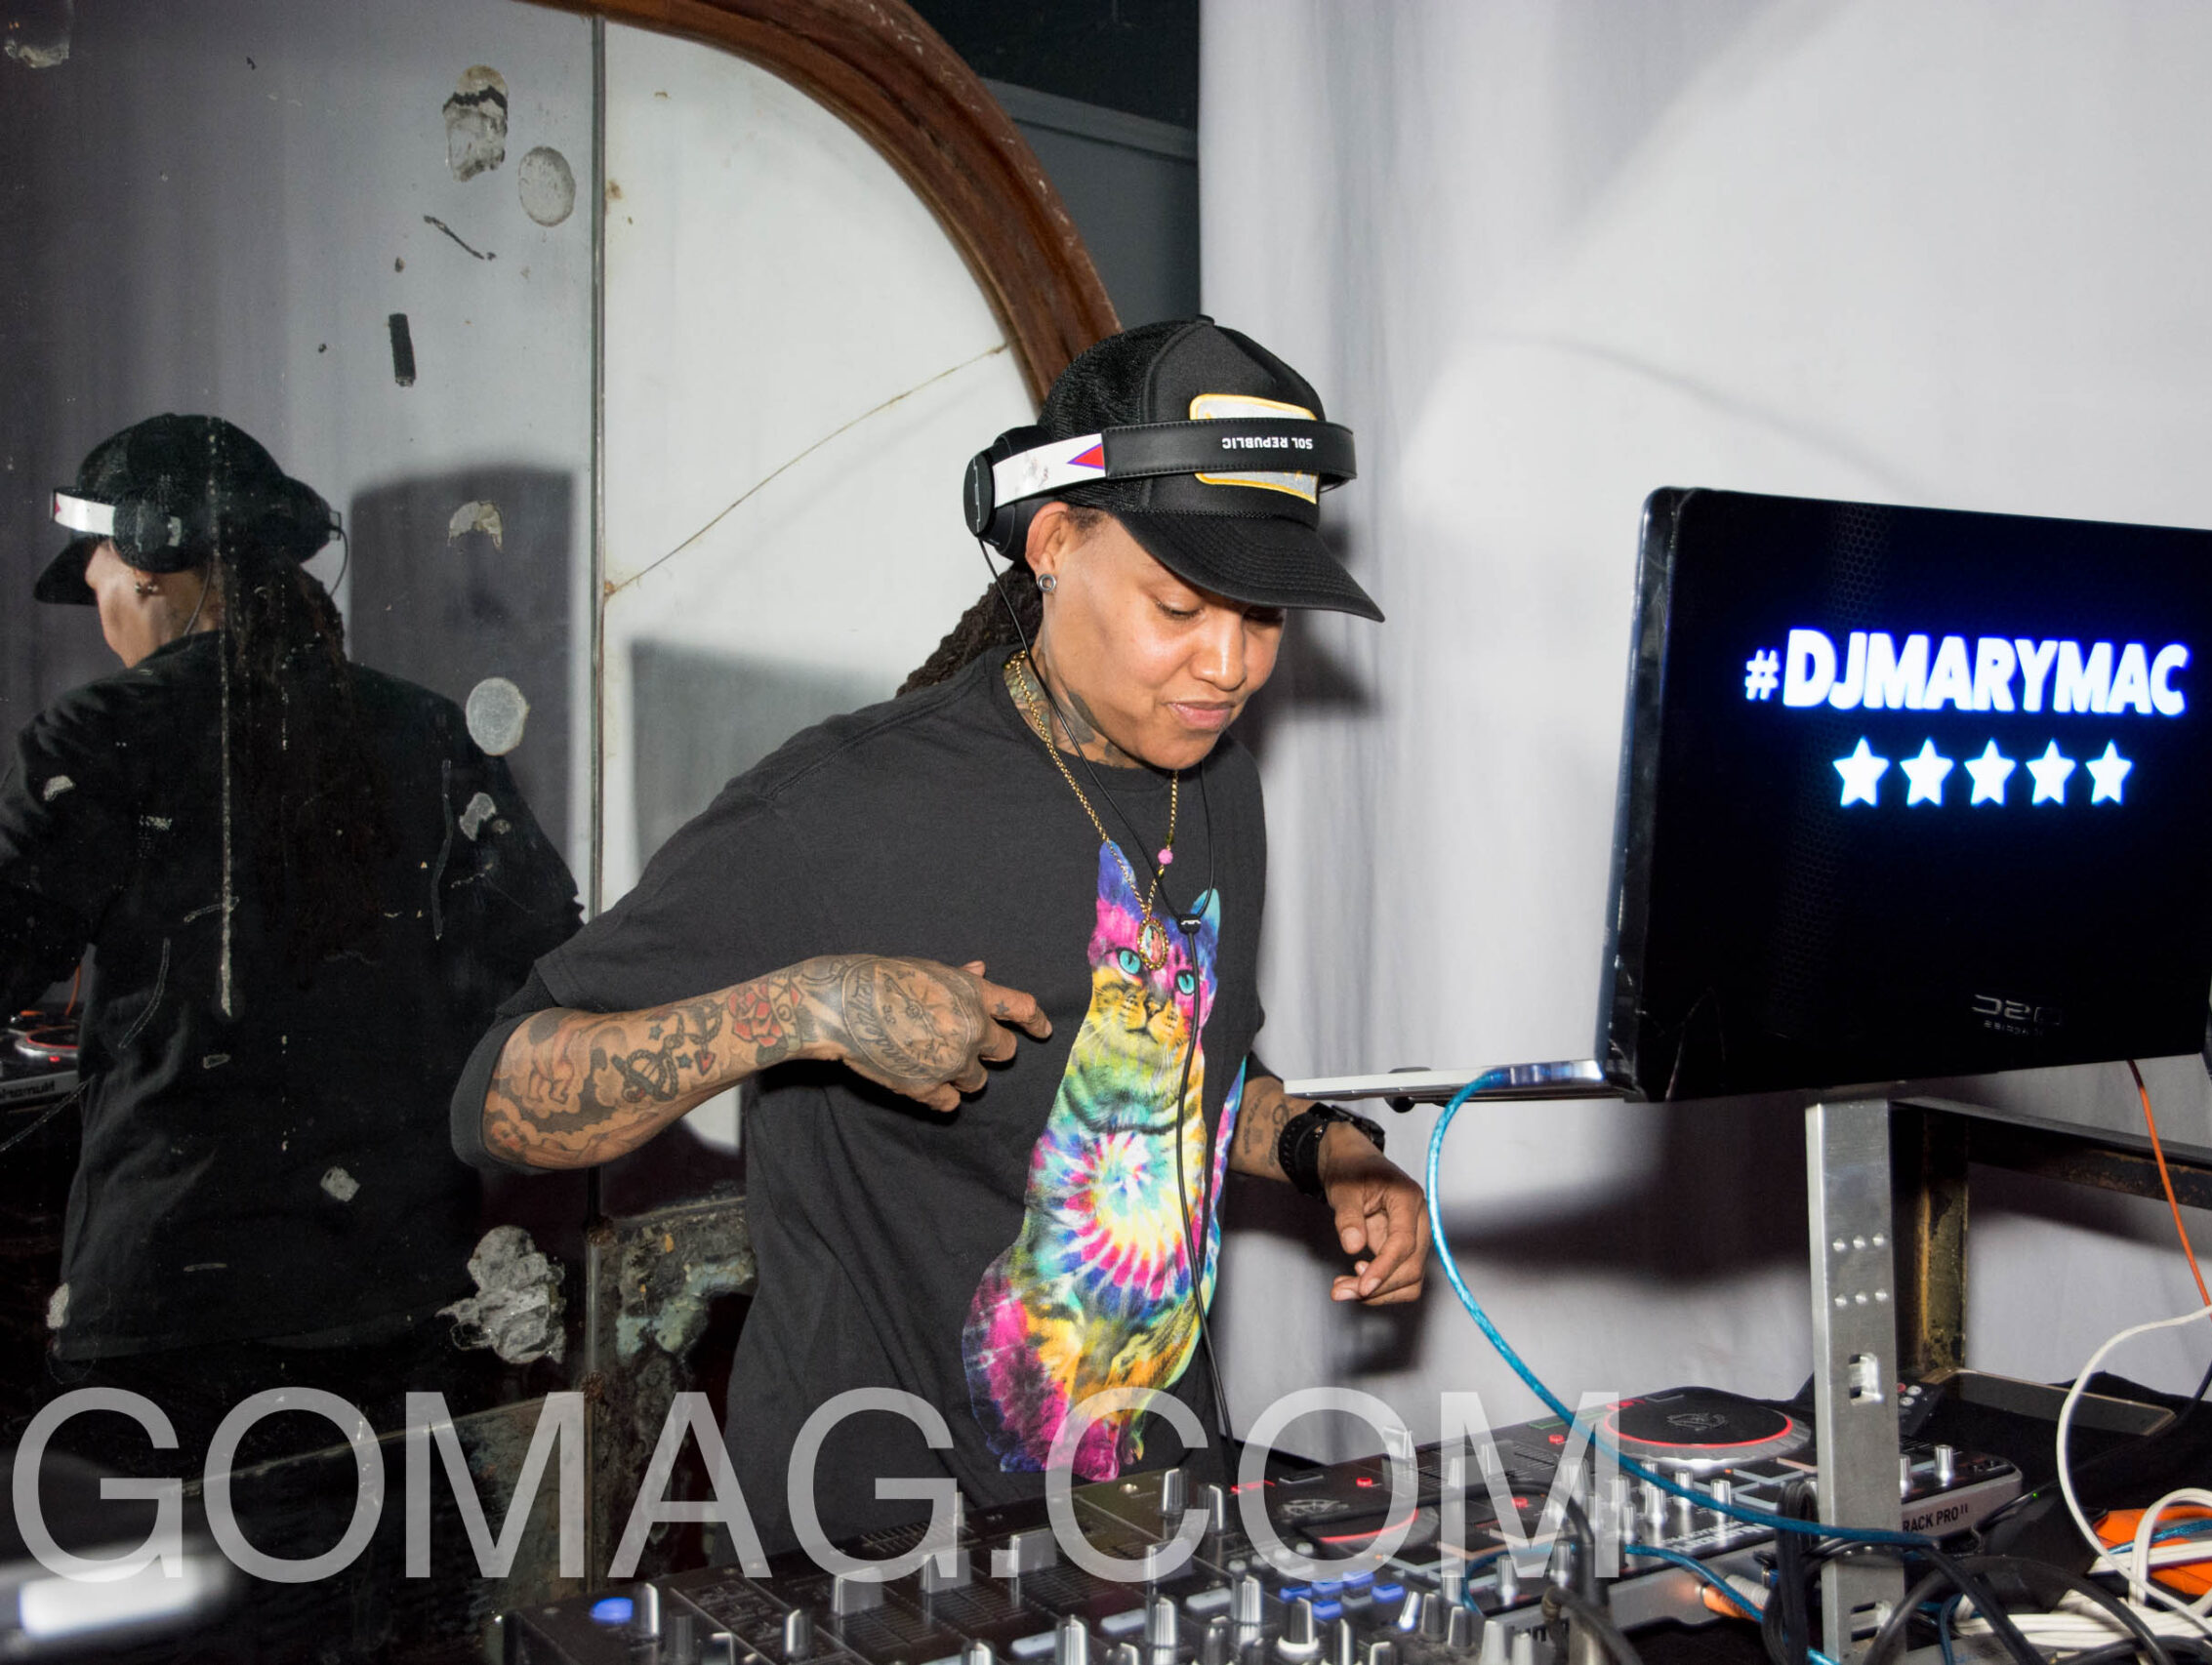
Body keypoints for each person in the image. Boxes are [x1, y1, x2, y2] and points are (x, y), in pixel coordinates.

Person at [453, 319, 1427, 1548]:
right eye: (1179, 605)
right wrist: (807, 1006)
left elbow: (1192, 1075)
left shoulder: (1216, 782)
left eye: (1265, 618)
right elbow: (499, 1100)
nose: (1228, 664)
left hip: (1141, 1505)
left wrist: (1332, 1152)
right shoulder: (841, 805)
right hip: (874, 1541)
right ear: (1054, 543)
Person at [0, 414, 579, 1453]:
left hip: (174, 1308)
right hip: (399, 1295)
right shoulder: (430, 730)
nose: (94, 590)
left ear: (151, 563)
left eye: (97, 569)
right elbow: (540, 951)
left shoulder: (97, 735)